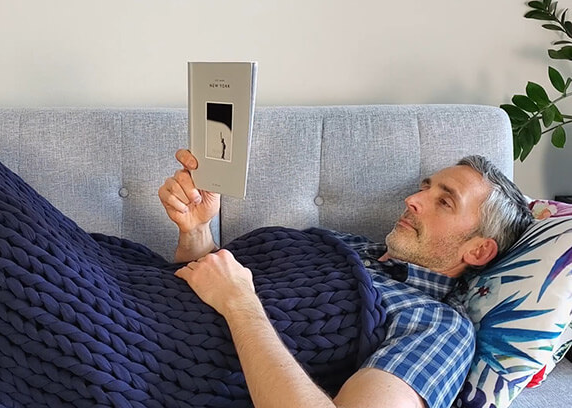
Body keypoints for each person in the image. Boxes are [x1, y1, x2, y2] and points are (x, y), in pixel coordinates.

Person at [158, 150, 534, 408]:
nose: (412, 199)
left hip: (157, 357)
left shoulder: (440, 328)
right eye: (425, 187)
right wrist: (195, 232)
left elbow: (233, 298)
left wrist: (242, 304)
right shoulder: (348, 245)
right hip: (145, 297)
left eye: (445, 201)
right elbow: (210, 285)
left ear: (479, 251)